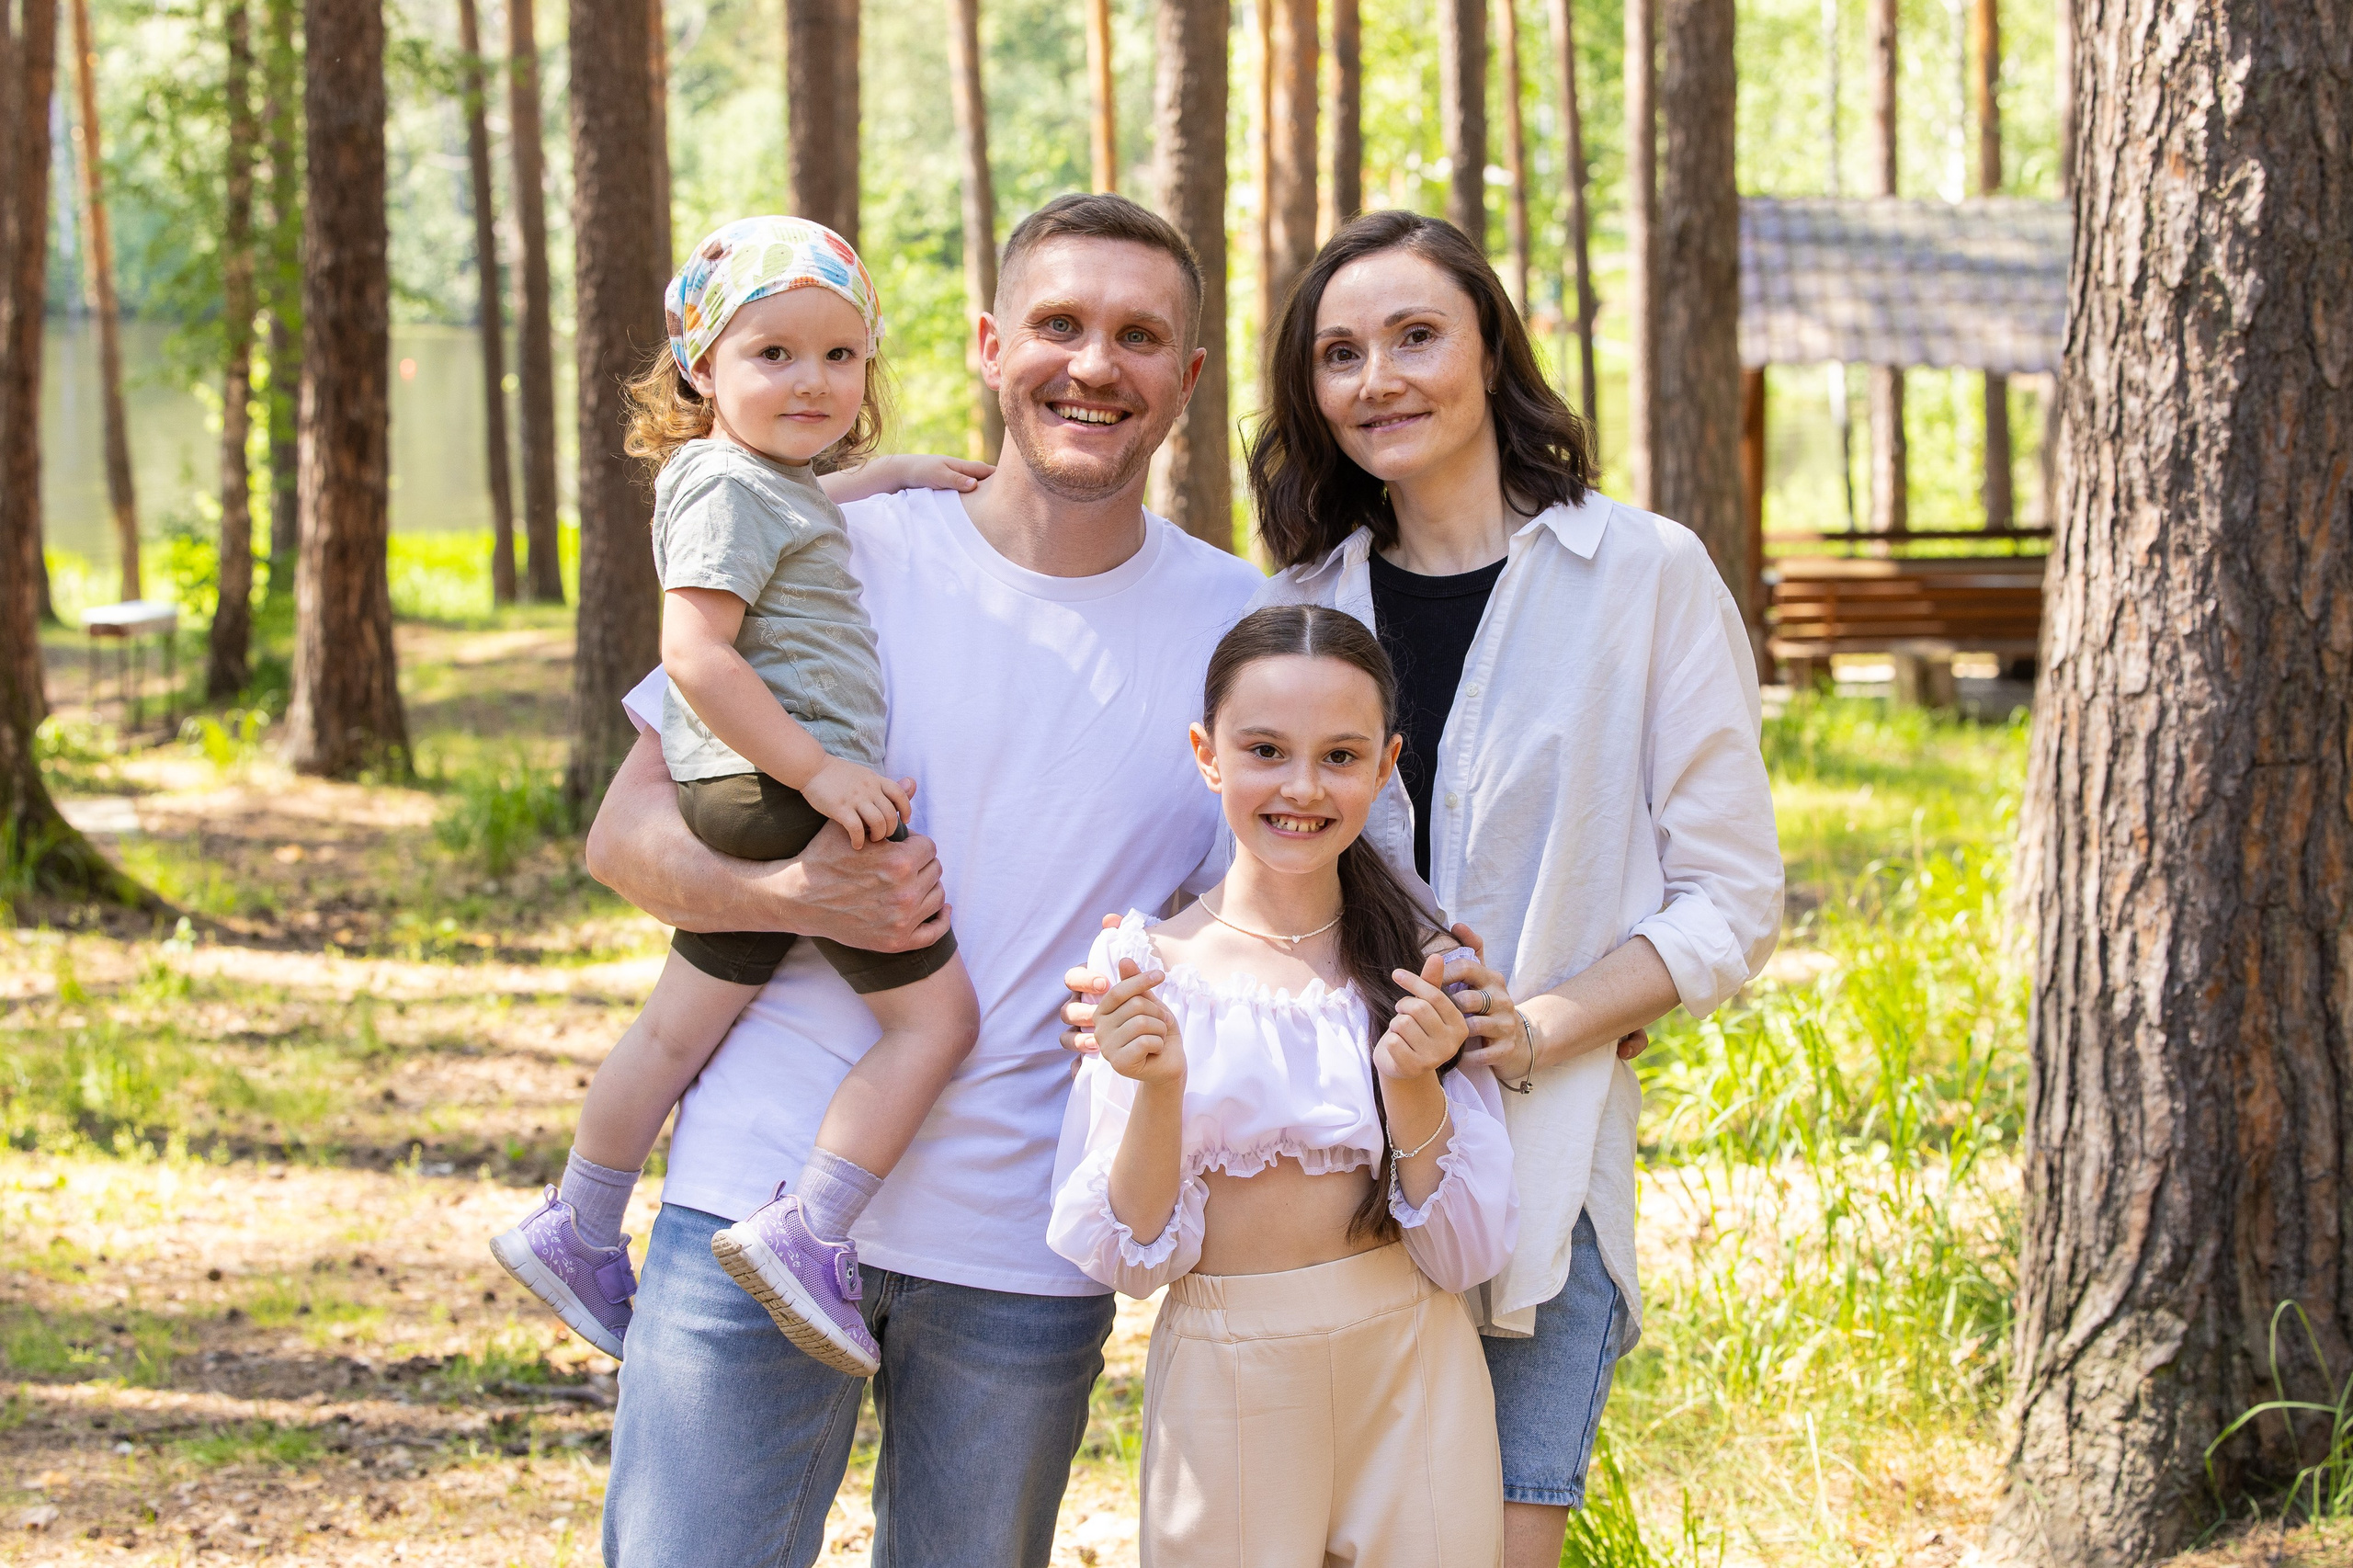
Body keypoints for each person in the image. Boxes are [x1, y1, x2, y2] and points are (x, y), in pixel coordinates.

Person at [1063, 209, 1783, 1568]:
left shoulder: (1641, 575)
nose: (1377, 378)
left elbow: (1731, 895)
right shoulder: (1302, 605)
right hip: (1316, 1209)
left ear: (1491, 349)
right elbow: (1239, 870)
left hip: (1536, 1175)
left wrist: (1550, 1021)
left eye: (1414, 337)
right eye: (1340, 353)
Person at [580, 193, 1264, 1566]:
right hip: (748, 1199)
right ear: (988, 343)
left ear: (1186, 378)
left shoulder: (1240, 627)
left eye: (1139, 337)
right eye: (1059, 324)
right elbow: (625, 838)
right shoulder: (831, 543)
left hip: (1022, 1254)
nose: (1094, 364)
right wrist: (795, 899)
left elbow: (1255, 921)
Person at [490, 217, 987, 1380]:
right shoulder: (724, 486)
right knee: (936, 1021)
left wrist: (900, 475)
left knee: (677, 1024)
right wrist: (817, 773)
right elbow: (696, 657)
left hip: (749, 790)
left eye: (839, 355)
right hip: (782, 790)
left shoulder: (749, 477)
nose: (811, 379)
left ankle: (576, 1215)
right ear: (701, 367)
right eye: (773, 354)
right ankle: (811, 1228)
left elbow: (796, 510)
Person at [1051, 605, 1518, 1565]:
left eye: (1340, 756)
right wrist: (1161, 1087)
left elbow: (1464, 1248)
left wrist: (1416, 1086)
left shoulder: (1419, 959)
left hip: (1415, 1362)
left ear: (1386, 765)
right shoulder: (1145, 966)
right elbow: (1131, 1254)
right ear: (1207, 751)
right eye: (1265, 748)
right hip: (1228, 1375)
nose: (1301, 786)